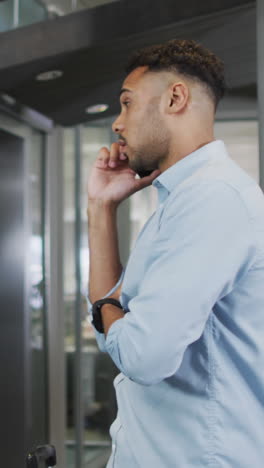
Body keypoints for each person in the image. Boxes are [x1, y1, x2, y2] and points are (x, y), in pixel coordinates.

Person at [87, 39, 264, 467]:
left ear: (175, 97)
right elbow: (111, 333)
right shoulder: (180, 201)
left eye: (127, 104)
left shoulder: (212, 199)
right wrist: (101, 208)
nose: (117, 123)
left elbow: (144, 356)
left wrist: (106, 308)